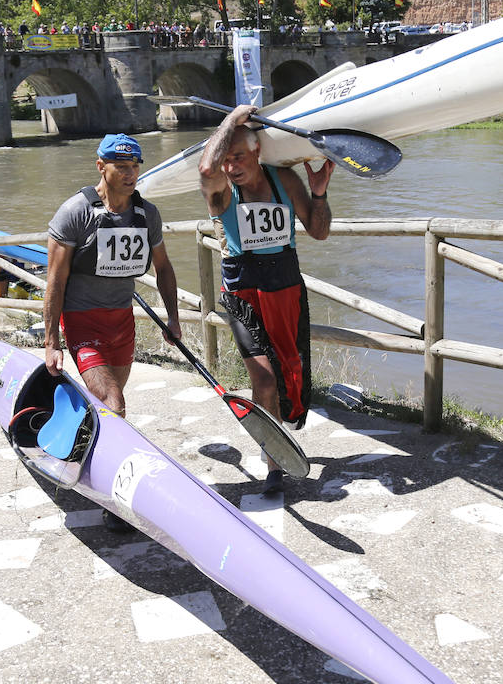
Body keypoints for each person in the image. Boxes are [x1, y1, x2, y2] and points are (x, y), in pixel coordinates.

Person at [44, 133, 181, 531]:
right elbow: (55, 279)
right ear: (100, 166)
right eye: (121, 166)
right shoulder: (74, 212)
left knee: (110, 408)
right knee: (113, 397)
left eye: (135, 166)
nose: (130, 174)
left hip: (122, 320)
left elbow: (165, 268)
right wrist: (51, 342)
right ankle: (114, 497)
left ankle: (86, 456)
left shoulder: (146, 214)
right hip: (82, 320)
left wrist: (173, 319)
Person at [198, 105, 333, 494]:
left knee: (290, 371)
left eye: (237, 156)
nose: (230, 166)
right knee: (264, 377)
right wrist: (230, 122)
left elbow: (319, 231)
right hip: (243, 287)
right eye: (225, 158)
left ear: (257, 151)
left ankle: (276, 435)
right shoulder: (222, 190)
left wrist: (319, 193)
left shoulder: (285, 181)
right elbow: (207, 171)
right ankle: (274, 464)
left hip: (285, 282)